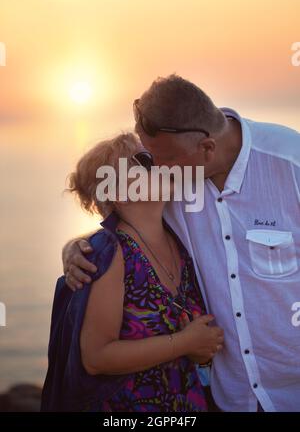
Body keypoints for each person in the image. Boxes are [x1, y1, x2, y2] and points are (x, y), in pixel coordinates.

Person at [65, 75, 300, 412]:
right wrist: (78, 248)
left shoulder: (291, 164)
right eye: (148, 159)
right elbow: (121, 224)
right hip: (228, 397)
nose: (158, 169)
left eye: (162, 160)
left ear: (206, 149)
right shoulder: (172, 185)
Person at [41, 132, 223, 412]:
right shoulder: (111, 253)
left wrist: (199, 350)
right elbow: (96, 357)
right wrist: (185, 343)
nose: (160, 162)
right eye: (144, 160)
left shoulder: (179, 236)